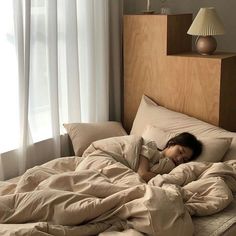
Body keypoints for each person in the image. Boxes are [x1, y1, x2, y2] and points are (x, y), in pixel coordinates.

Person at [137, 132, 202, 182]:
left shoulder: (174, 171)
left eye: (184, 159)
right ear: (171, 143)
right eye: (180, 152)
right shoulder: (150, 148)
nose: (179, 159)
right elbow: (143, 174)